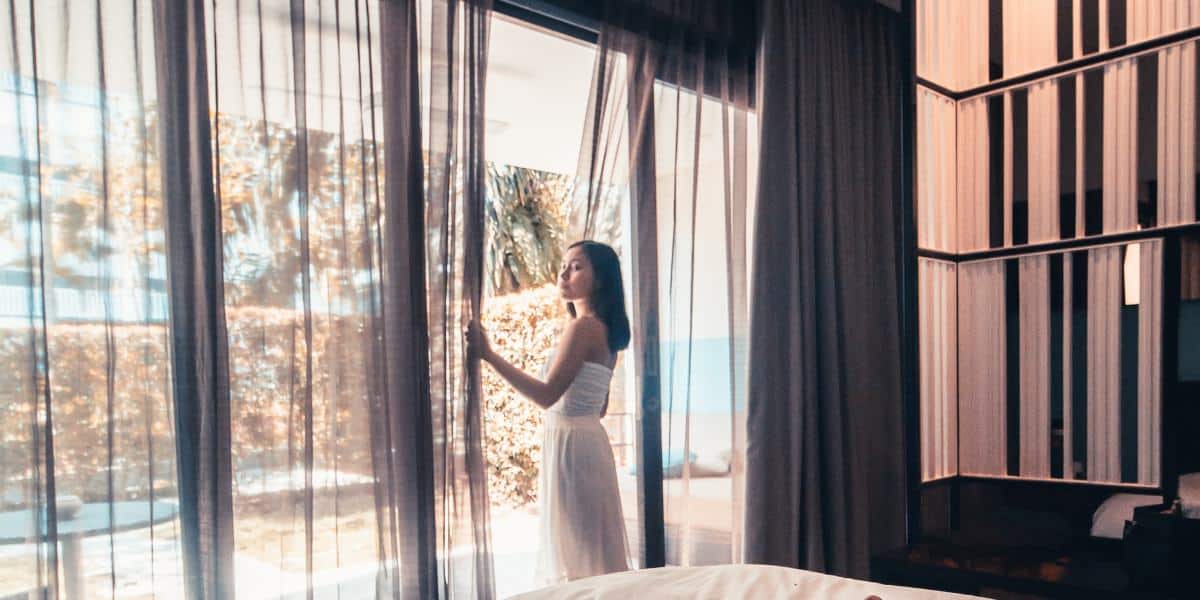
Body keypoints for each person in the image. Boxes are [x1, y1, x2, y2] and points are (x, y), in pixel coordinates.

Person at [466, 240, 631, 586]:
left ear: (600, 279)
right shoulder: (606, 331)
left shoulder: (583, 328)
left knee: (576, 550)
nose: (564, 273)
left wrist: (489, 355)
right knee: (592, 548)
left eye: (577, 266)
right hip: (589, 442)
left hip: (572, 446)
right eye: (564, 265)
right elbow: (600, 407)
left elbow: (546, 395)